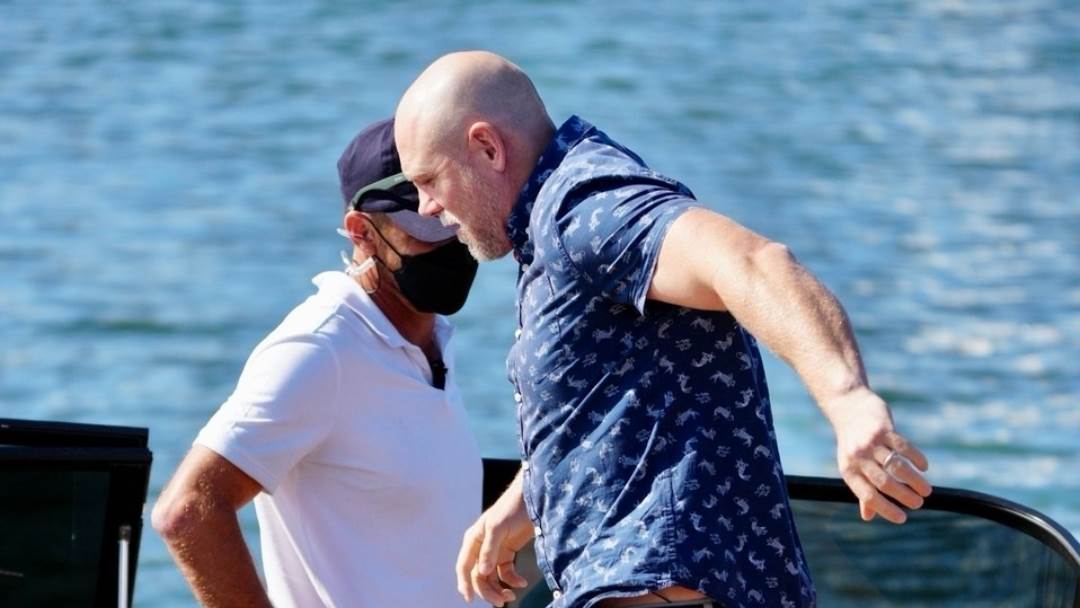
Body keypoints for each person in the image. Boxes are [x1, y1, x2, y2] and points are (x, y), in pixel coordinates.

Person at [393, 51, 934, 608]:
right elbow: (625, 397)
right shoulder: (558, 222)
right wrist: (529, 499)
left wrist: (848, 399)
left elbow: (751, 262)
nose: (426, 207)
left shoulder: (586, 207)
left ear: (487, 147)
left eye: (429, 180)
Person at [152, 117, 483, 607]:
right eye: (425, 226)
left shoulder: (429, 340)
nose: (450, 239)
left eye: (455, 214)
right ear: (361, 231)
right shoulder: (319, 348)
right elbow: (187, 511)